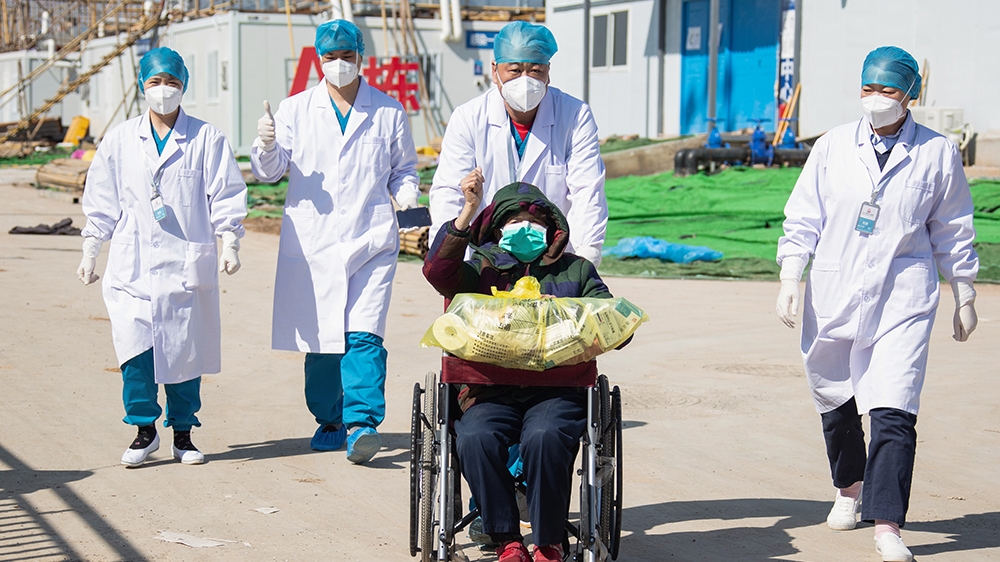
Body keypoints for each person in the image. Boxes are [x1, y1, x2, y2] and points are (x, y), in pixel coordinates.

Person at [775, 46, 978, 562]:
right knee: (836, 401)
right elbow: (803, 216)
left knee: (894, 409)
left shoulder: (937, 152)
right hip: (835, 291)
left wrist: (965, 291)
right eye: (869, 88)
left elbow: (952, 228)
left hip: (901, 296)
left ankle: (888, 525)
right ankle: (849, 489)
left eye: (888, 90)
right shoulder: (831, 146)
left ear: (911, 95)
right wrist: (790, 275)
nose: (876, 99)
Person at [251, 19, 420, 464]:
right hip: (314, 243)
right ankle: (330, 418)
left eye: (347, 56)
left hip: (371, 239)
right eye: (331, 57)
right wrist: (266, 145)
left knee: (364, 334)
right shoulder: (295, 110)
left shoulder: (388, 110)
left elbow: (404, 169)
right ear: (318, 59)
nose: (339, 64)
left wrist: (406, 196)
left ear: (361, 57)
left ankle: (362, 423)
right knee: (322, 340)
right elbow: (269, 173)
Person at [423, 181, 615, 562]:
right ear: (497, 229)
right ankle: (507, 540)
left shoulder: (576, 270)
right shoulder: (481, 266)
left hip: (556, 391)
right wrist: (466, 213)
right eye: (513, 220)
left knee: (544, 436)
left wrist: (564, 316)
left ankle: (549, 543)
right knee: (475, 436)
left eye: (535, 220)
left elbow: (607, 318)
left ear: (551, 228)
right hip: (488, 388)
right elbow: (438, 272)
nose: (525, 226)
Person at [78, 46, 247, 467]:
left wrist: (231, 241)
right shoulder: (120, 139)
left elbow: (226, 194)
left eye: (171, 81)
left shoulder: (206, 137)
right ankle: (144, 431)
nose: (163, 90)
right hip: (131, 267)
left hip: (183, 265)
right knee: (136, 353)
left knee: (185, 354)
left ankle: (184, 434)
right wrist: (90, 248)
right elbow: (101, 199)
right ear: (142, 86)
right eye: (155, 82)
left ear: (183, 85)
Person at [429, 20, 607, 267]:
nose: (525, 81)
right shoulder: (468, 118)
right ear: (495, 71)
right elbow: (449, 192)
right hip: (485, 256)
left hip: (551, 254)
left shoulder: (575, 115)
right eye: (514, 70)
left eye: (535, 71)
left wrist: (585, 255)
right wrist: (448, 254)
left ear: (548, 71)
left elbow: (588, 190)